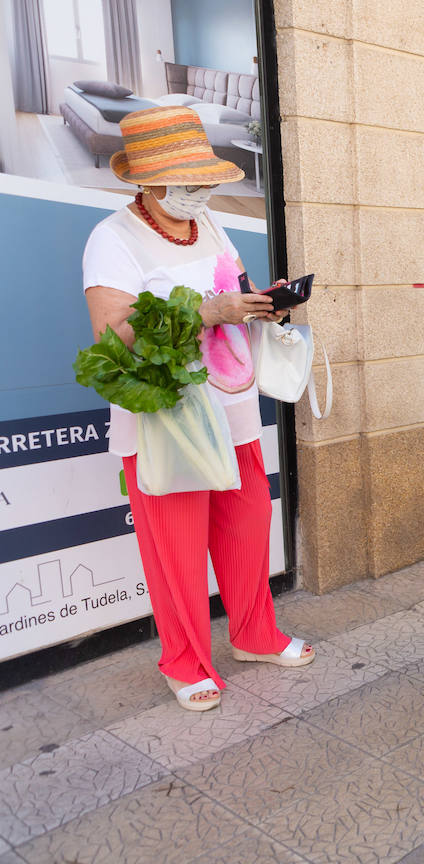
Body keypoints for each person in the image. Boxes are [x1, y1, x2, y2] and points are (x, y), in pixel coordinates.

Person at [82, 107, 314, 712]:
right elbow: (111, 331)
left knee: (245, 524)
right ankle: (184, 661)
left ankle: (255, 633)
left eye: (202, 180)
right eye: (184, 181)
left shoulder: (208, 223)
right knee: (176, 548)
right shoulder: (110, 238)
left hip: (230, 406)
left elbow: (233, 287)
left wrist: (264, 303)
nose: (197, 193)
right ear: (144, 180)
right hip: (168, 421)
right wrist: (208, 314)